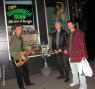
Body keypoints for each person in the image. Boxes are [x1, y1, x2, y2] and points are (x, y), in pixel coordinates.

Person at [10, 24, 35, 89]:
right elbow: (12, 52)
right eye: (18, 29)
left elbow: (24, 47)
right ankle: (21, 87)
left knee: (26, 71)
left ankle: (27, 83)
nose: (20, 30)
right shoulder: (13, 39)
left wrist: (29, 51)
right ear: (15, 30)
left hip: (23, 57)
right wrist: (20, 55)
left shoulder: (20, 37)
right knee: (19, 73)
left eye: (21, 29)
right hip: (17, 58)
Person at [64, 21, 88, 89]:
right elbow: (68, 44)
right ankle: (76, 81)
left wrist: (83, 55)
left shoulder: (79, 33)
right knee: (73, 70)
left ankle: (83, 86)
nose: (68, 26)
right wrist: (66, 49)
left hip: (78, 55)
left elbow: (83, 44)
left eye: (70, 24)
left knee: (81, 71)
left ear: (73, 25)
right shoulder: (69, 34)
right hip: (71, 55)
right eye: (67, 25)